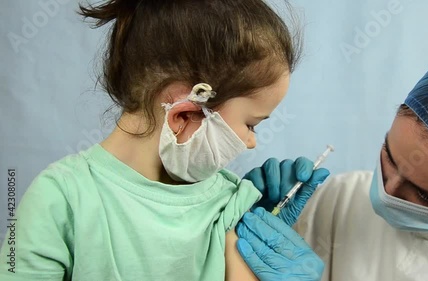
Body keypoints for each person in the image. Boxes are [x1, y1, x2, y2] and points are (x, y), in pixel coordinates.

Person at [0, 0, 330, 280]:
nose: (250, 143)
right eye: (251, 124)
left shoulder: (235, 206)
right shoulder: (60, 199)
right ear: (184, 115)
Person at [237, 41, 428, 280]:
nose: (389, 192)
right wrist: (243, 216)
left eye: (425, 196)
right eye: (389, 157)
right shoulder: (341, 199)